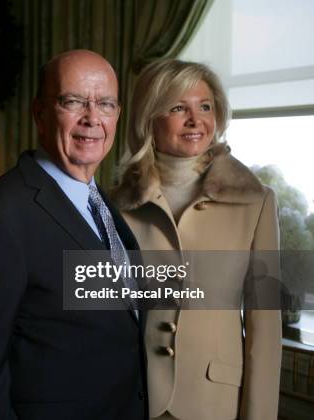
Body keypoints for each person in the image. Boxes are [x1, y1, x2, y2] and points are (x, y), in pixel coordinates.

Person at [0, 50, 148, 420]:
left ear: (117, 116)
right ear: (40, 113)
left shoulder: (101, 204)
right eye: (73, 101)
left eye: (105, 104)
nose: (92, 118)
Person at [112, 59, 281, 419]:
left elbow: (265, 328)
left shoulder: (258, 202)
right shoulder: (113, 205)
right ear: (149, 118)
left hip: (214, 402)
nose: (195, 120)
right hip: (129, 396)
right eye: (177, 108)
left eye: (204, 106)